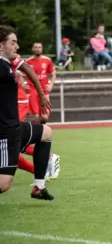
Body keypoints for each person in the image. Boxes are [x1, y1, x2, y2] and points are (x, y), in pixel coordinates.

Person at [0, 25, 55, 200]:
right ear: (1, 45)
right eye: (13, 43)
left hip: (15, 126)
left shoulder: (9, 63)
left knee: (46, 134)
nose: (17, 47)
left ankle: (39, 186)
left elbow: (27, 69)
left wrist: (41, 94)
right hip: (5, 132)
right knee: (4, 185)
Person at [11, 54, 60, 181]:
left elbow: (26, 69)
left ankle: (46, 161)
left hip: (17, 102)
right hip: (10, 103)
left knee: (13, 141)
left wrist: (42, 94)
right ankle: (42, 170)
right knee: (10, 145)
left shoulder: (7, 53)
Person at [26, 42, 56, 123]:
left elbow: (53, 73)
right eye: (36, 47)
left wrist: (51, 85)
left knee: (44, 118)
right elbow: (21, 74)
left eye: (39, 47)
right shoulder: (28, 61)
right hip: (33, 91)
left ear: (42, 49)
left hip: (44, 91)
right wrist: (23, 84)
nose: (37, 49)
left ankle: (40, 131)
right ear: (32, 49)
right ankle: (35, 133)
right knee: (35, 116)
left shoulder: (47, 60)